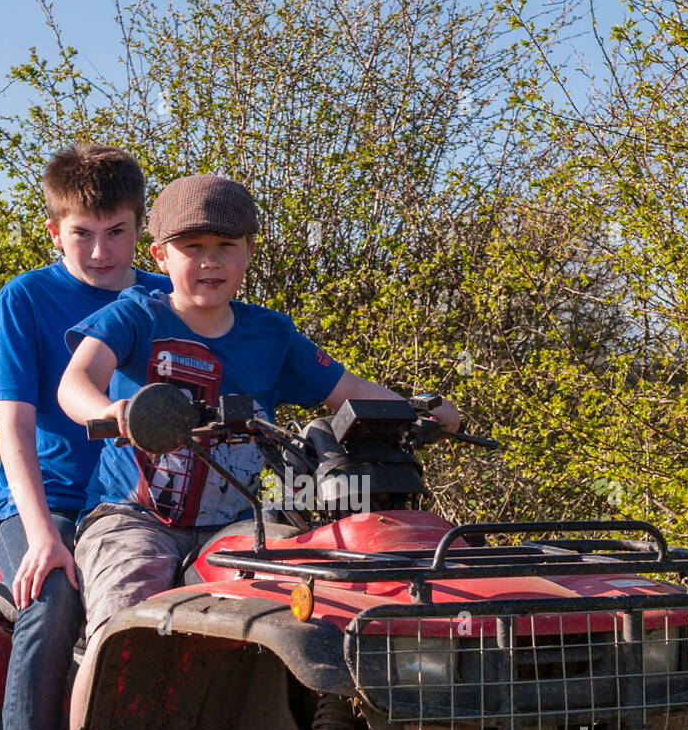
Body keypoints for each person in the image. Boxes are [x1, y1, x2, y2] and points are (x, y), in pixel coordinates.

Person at [57, 173, 461, 649]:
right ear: (161, 256)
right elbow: (75, 383)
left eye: (226, 244)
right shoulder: (135, 315)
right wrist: (114, 410)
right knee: (128, 608)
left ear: (248, 251)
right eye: (192, 246)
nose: (210, 260)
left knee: (302, 602)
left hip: (242, 521)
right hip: (135, 517)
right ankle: (101, 716)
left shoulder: (271, 334)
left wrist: (422, 411)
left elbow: (348, 391)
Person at [0, 144, 170, 730]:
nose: (101, 250)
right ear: (56, 232)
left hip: (133, 508)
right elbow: (12, 425)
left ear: (141, 230)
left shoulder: (158, 299)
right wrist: (41, 531)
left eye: (116, 231)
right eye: (84, 233)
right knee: (53, 597)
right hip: (40, 502)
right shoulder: (26, 300)